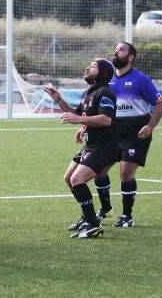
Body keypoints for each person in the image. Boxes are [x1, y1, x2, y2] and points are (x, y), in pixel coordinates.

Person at [90, 42, 162, 229]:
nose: (116, 51)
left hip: (135, 135)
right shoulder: (108, 82)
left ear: (131, 57)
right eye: (115, 48)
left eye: (121, 49)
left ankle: (127, 216)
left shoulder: (141, 79)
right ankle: (106, 209)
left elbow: (159, 104)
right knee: (98, 170)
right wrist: (85, 127)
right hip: (112, 135)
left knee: (126, 173)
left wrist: (150, 126)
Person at [44, 58, 117, 239]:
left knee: (78, 179)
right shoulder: (88, 93)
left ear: (103, 73)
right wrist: (59, 100)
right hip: (91, 145)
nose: (87, 67)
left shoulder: (105, 92)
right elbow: (76, 114)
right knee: (69, 178)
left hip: (105, 146)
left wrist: (80, 121)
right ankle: (87, 217)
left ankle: (94, 225)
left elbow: (106, 119)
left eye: (93, 66)